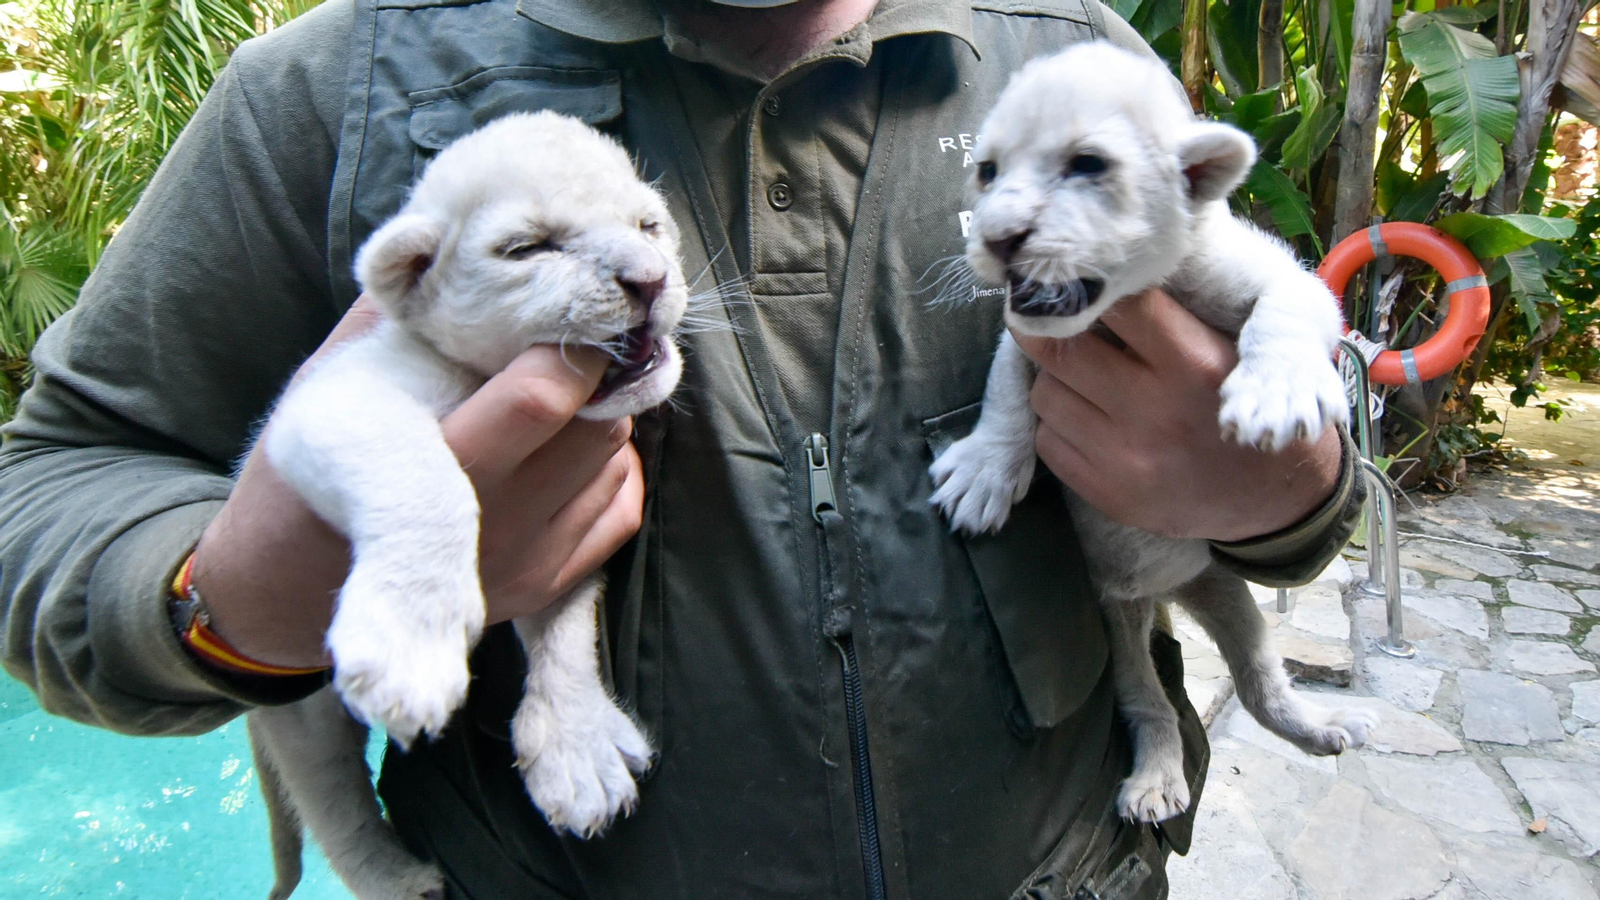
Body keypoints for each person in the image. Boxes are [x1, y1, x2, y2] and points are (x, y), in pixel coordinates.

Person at [0, 0, 1363, 896]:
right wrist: (244, 599)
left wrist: (1287, 496)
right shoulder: (332, 91)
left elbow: (1282, 460)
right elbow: (54, 478)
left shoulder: (1064, 57)